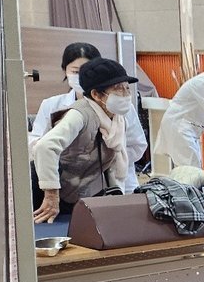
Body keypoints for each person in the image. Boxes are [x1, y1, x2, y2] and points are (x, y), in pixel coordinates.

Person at [31, 42, 147, 194]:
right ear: (65, 70)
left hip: (117, 180)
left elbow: (137, 144)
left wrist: (110, 157)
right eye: (75, 71)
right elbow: (39, 144)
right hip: (69, 182)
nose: (81, 76)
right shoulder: (59, 107)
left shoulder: (121, 106)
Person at [32, 58, 139, 224]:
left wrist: (117, 202)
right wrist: (51, 195)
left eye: (127, 88)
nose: (125, 95)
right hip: (48, 191)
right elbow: (44, 147)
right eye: (118, 89)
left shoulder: (117, 118)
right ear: (96, 94)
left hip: (80, 190)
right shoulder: (80, 114)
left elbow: (114, 163)